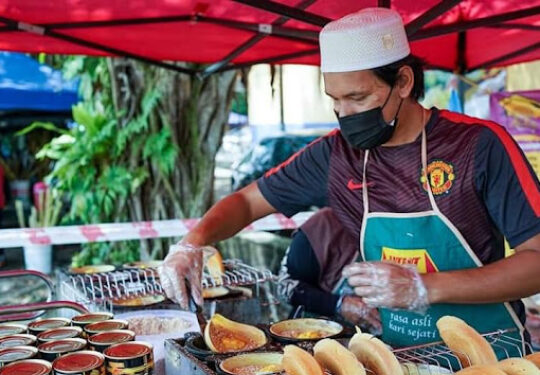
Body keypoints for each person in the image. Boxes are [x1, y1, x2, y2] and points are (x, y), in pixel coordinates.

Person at [159, 8, 540, 348]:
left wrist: (424, 287)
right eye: (335, 100)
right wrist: (191, 243)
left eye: (358, 98)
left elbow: (536, 262)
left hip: (492, 358)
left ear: (403, 82)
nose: (344, 113)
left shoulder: (478, 145)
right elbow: (246, 202)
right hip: (399, 359)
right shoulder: (335, 154)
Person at [277, 207, 381, 334]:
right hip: (312, 334)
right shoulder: (324, 225)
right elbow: (286, 287)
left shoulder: (400, 231)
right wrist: (340, 305)